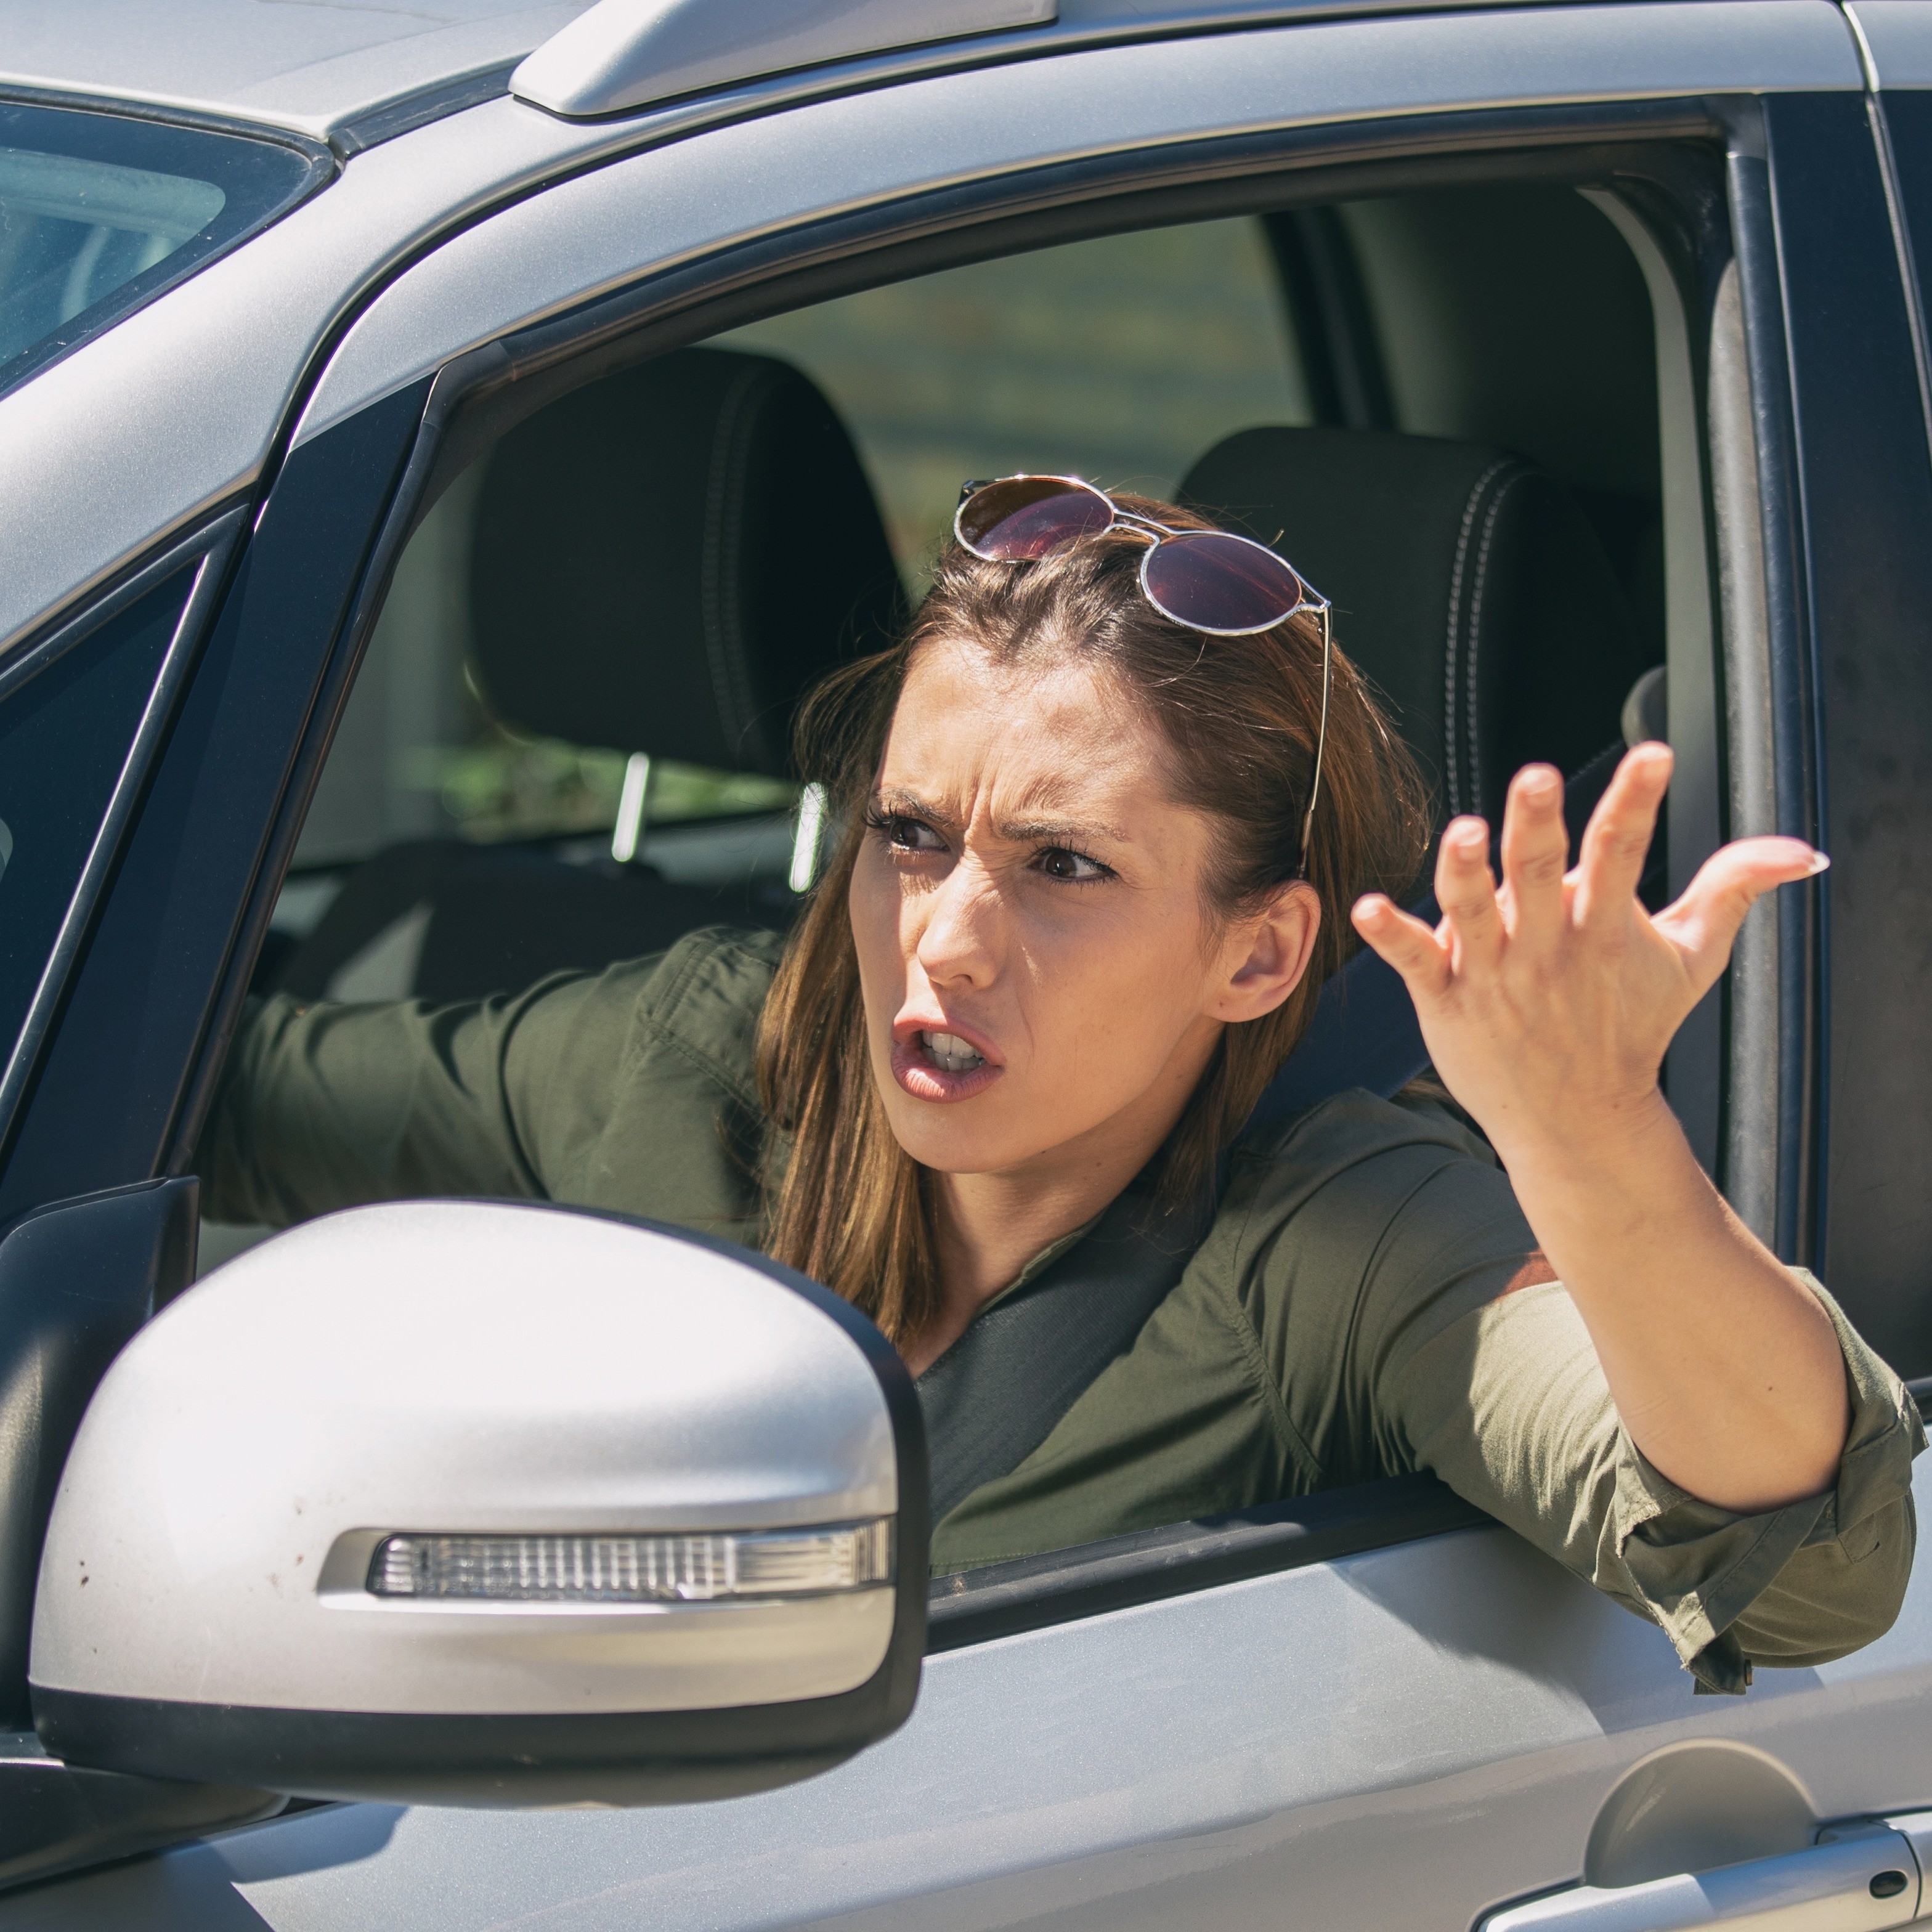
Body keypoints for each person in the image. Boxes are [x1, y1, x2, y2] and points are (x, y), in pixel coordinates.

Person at [200, 480, 1921, 1695]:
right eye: (911, 835)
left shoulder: (1334, 1233)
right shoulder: (701, 1063)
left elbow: (1813, 1565)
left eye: (1064, 868)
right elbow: (183, 1105)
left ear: (1254, 957)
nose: (941, 943)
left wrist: (1589, 1128)